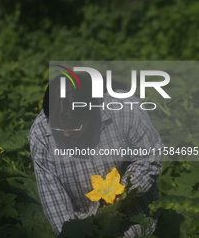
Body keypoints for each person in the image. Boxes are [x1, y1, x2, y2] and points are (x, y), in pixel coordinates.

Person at [28, 72, 163, 237]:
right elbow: (53, 198)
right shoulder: (41, 132)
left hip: (133, 216)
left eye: (73, 126)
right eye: (57, 127)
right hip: (85, 225)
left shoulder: (126, 109)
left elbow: (149, 156)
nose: (65, 133)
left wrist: (124, 192)